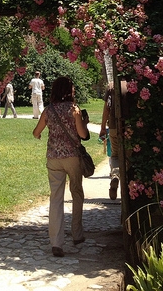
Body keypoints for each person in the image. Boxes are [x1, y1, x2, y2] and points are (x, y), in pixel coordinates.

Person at [33, 76, 89, 257]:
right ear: (69, 90)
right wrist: (84, 124)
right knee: (76, 192)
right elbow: (83, 134)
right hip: (72, 157)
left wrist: (43, 135)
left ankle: (56, 242)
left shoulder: (48, 110)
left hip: (53, 159)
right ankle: (77, 233)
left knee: (56, 198)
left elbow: (36, 132)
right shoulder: (74, 109)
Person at [99, 80, 127, 200]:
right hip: (130, 127)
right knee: (129, 157)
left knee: (115, 155)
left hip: (114, 126)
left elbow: (106, 109)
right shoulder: (133, 83)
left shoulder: (111, 85)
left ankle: (115, 176)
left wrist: (102, 128)